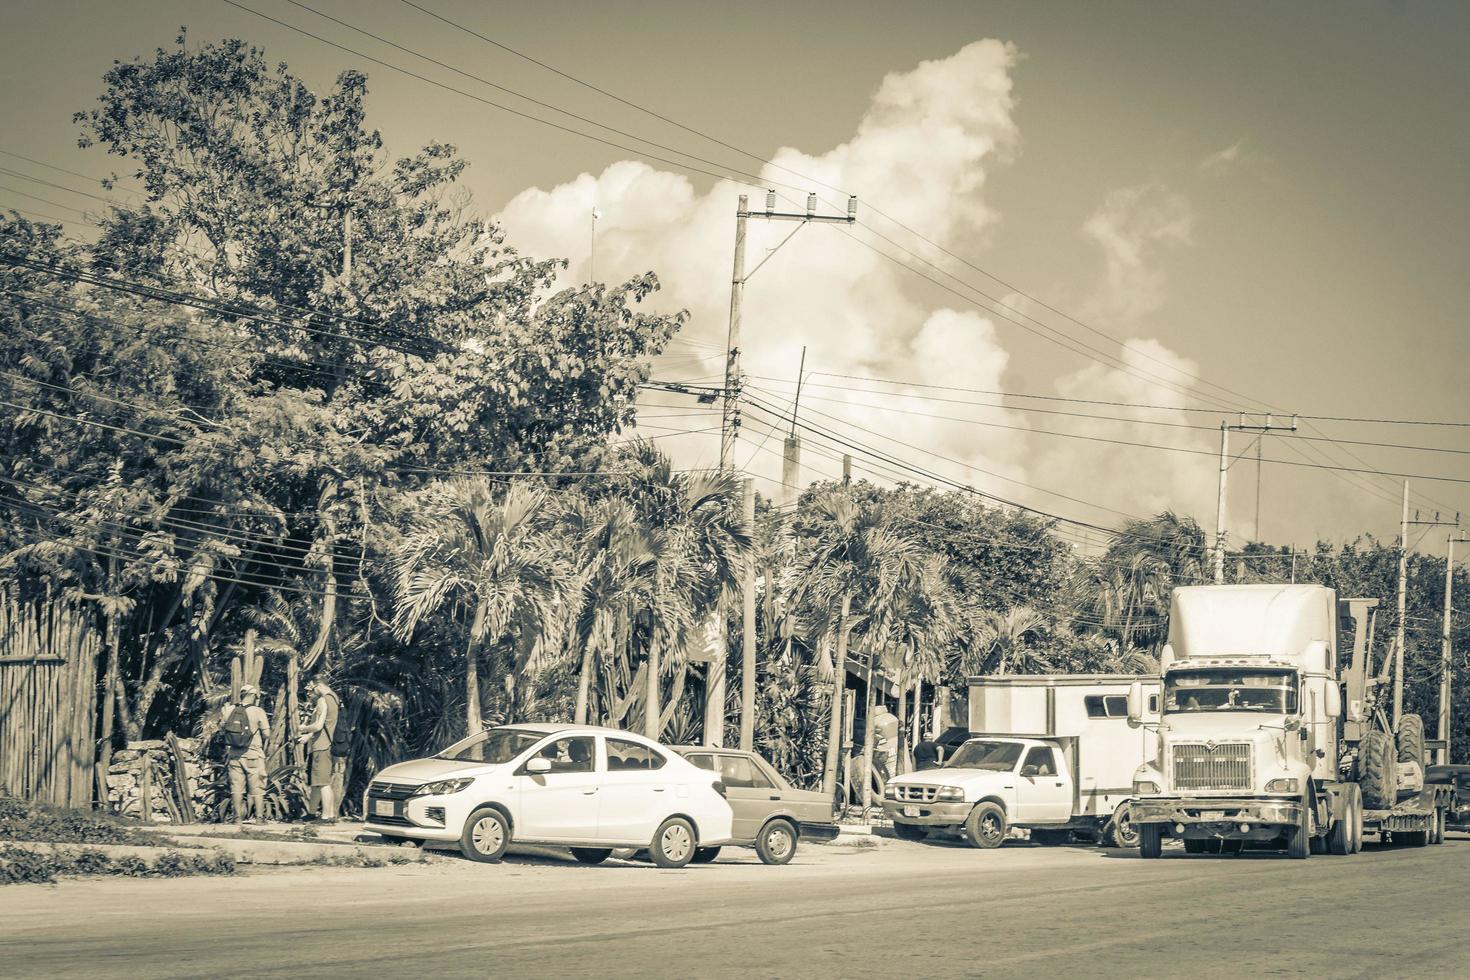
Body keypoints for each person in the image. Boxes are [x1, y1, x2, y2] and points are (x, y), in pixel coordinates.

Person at [221, 685, 270, 827]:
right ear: (253, 696)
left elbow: (223, 727)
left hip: (234, 754)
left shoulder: (230, 709)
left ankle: (237, 818)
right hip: (253, 754)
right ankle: (259, 818)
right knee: (257, 786)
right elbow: (267, 734)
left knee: (236, 787)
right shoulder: (258, 711)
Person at [298, 677, 341, 822]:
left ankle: (327, 816)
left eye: (311, 688)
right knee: (316, 782)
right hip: (323, 744)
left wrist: (303, 728)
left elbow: (318, 726)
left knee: (323, 783)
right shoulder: (334, 698)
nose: (310, 692)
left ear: (318, 685)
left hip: (322, 746)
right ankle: (311, 813)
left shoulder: (324, 700)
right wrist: (309, 737)